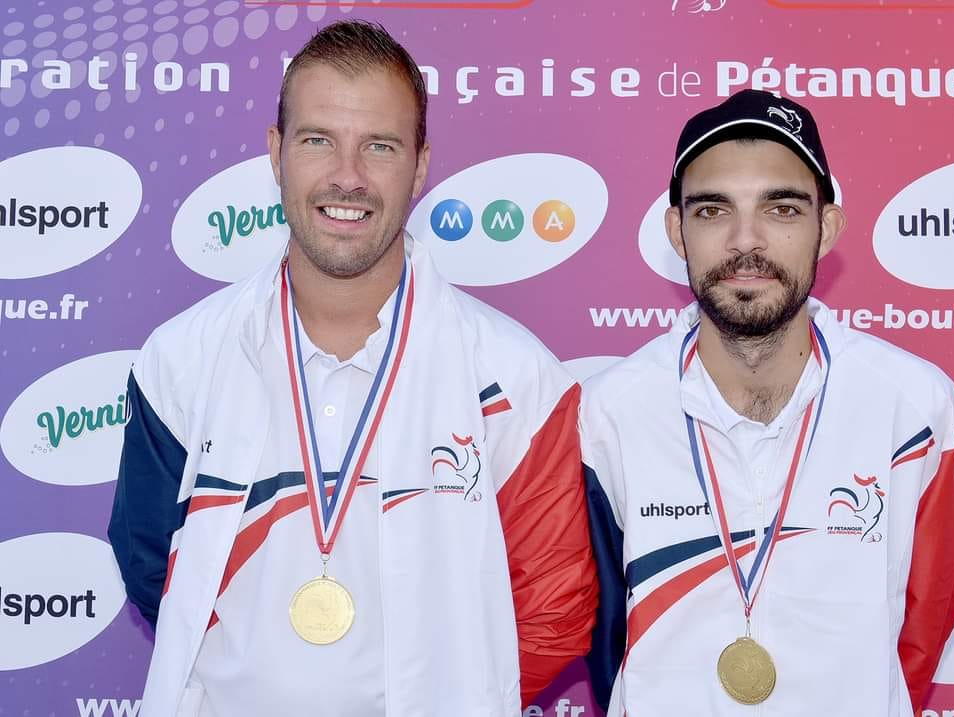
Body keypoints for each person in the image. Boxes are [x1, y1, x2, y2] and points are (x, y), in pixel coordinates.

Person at [108, 20, 596, 717]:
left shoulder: (518, 376)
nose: (347, 176)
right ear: (276, 153)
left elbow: (556, 605)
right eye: (317, 141)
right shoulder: (180, 359)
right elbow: (153, 563)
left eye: (380, 146)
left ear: (421, 165)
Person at [582, 89, 954, 716]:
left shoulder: (917, 406)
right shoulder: (605, 413)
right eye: (712, 210)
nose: (745, 241)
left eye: (782, 208)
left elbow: (926, 619)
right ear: (677, 231)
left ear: (828, 227)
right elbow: (598, 634)